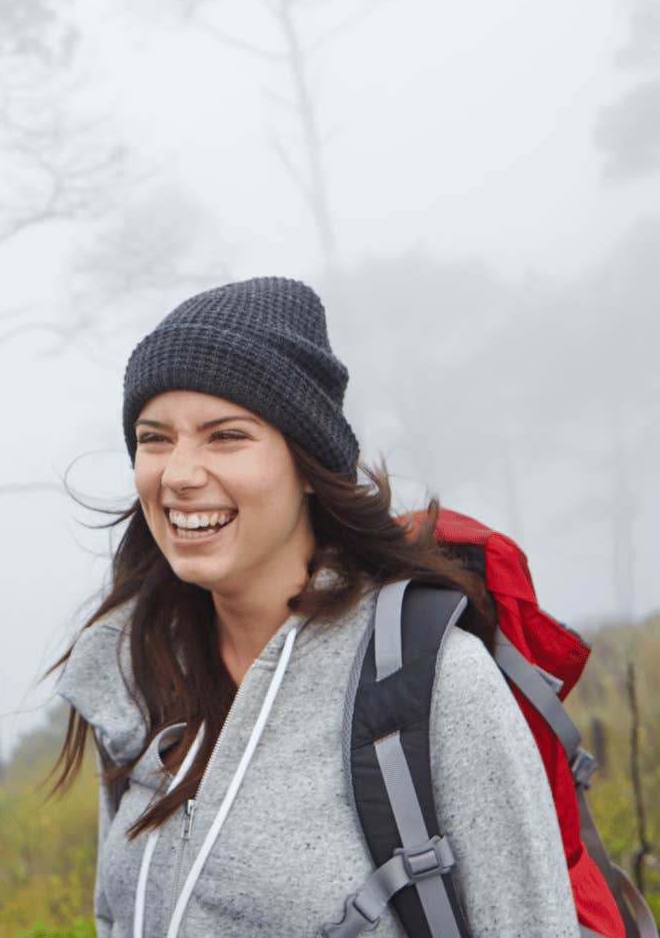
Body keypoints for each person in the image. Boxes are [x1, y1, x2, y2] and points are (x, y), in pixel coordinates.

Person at [52, 276, 578, 937]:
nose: (179, 473)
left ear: (306, 464)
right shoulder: (137, 680)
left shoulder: (433, 682)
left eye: (226, 436)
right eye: (155, 438)